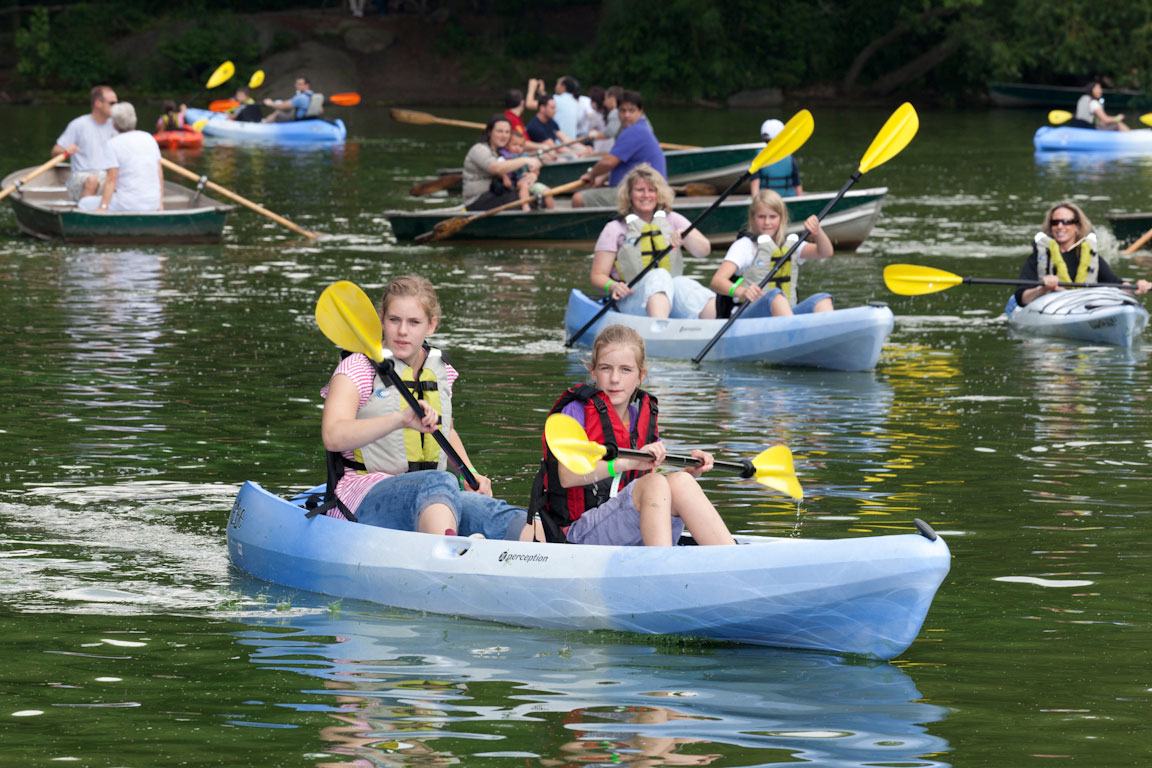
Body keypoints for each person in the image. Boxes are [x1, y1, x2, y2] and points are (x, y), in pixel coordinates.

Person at [320, 274, 534, 541]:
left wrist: (470, 472)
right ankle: (449, 553)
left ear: (431, 325)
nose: (402, 331)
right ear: (381, 318)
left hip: (432, 497)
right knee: (438, 481)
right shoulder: (356, 369)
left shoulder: (441, 371)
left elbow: (446, 430)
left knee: (495, 513)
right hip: (361, 495)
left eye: (414, 322)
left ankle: (546, 553)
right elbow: (333, 435)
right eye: (394, 320)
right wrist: (400, 419)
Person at [530, 324, 736, 547]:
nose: (615, 379)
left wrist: (691, 471)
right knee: (655, 483)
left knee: (681, 481)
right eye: (606, 368)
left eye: (626, 370)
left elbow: (647, 485)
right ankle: (660, 567)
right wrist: (627, 462)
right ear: (593, 372)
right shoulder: (575, 413)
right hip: (578, 534)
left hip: (626, 523)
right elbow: (567, 477)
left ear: (640, 376)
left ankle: (731, 559)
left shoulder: (642, 418)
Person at [590, 163, 715, 319]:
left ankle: (720, 322)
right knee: (659, 275)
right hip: (631, 300)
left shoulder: (673, 219)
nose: (646, 195)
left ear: (659, 193)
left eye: (651, 190)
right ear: (629, 194)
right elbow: (597, 275)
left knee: (683, 283)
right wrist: (613, 285)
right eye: (640, 190)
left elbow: (704, 251)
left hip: (670, 298)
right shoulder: (615, 228)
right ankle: (659, 327)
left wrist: (686, 235)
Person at [709, 190, 834, 319]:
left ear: (781, 218)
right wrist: (742, 291)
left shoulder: (790, 245)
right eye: (761, 217)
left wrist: (817, 231)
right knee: (775, 296)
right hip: (747, 318)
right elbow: (717, 281)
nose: (767, 222)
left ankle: (827, 335)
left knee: (823, 299)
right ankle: (791, 333)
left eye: (772, 217)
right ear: (753, 218)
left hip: (785, 315)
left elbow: (825, 252)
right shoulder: (745, 246)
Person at [1014, 202, 1150, 306]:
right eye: (1055, 222)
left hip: (1081, 308)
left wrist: (1136, 288)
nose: (1060, 226)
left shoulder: (1090, 256)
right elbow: (1022, 298)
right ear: (1050, 227)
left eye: (1066, 222)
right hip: (1051, 308)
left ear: (1077, 227)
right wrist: (1042, 289)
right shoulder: (1038, 257)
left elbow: (1118, 285)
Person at [573, 90, 665, 208]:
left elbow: (608, 162)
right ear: (618, 112)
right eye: (623, 111)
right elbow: (618, 163)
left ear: (640, 112)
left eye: (631, 110)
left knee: (578, 199)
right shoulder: (640, 128)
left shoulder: (634, 131)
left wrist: (591, 174)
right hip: (638, 189)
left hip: (643, 193)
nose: (626, 115)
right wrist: (601, 178)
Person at [79, 102, 162, 213]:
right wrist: (160, 203)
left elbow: (111, 180)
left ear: (115, 125)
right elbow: (159, 175)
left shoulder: (113, 144)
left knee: (83, 203)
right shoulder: (149, 138)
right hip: (153, 203)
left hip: (127, 204)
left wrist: (102, 207)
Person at [51, 84, 118, 201]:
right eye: (112, 103)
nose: (116, 107)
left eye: (117, 103)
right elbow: (54, 152)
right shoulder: (78, 125)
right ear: (98, 103)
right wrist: (65, 150)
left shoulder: (116, 126)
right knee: (92, 181)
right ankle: (84, 213)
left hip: (108, 176)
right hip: (82, 176)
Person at [462, 114, 542, 211]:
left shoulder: (503, 152)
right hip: (477, 200)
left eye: (507, 132)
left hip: (497, 194)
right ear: (489, 132)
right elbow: (496, 168)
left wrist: (532, 176)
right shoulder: (479, 149)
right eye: (499, 131)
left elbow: (522, 172)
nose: (504, 135)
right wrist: (525, 160)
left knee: (537, 198)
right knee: (526, 203)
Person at [499, 128, 554, 211]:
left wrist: (531, 173)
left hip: (529, 183)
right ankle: (526, 207)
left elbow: (534, 169)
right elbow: (499, 169)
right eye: (514, 144)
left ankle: (552, 211)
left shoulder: (525, 156)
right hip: (516, 184)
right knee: (524, 186)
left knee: (548, 191)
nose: (518, 148)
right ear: (507, 145)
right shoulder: (505, 158)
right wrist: (504, 177)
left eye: (521, 146)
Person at [749, 119, 803, 197]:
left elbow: (755, 191)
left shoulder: (757, 158)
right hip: (787, 199)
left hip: (767, 201)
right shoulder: (790, 158)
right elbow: (797, 185)